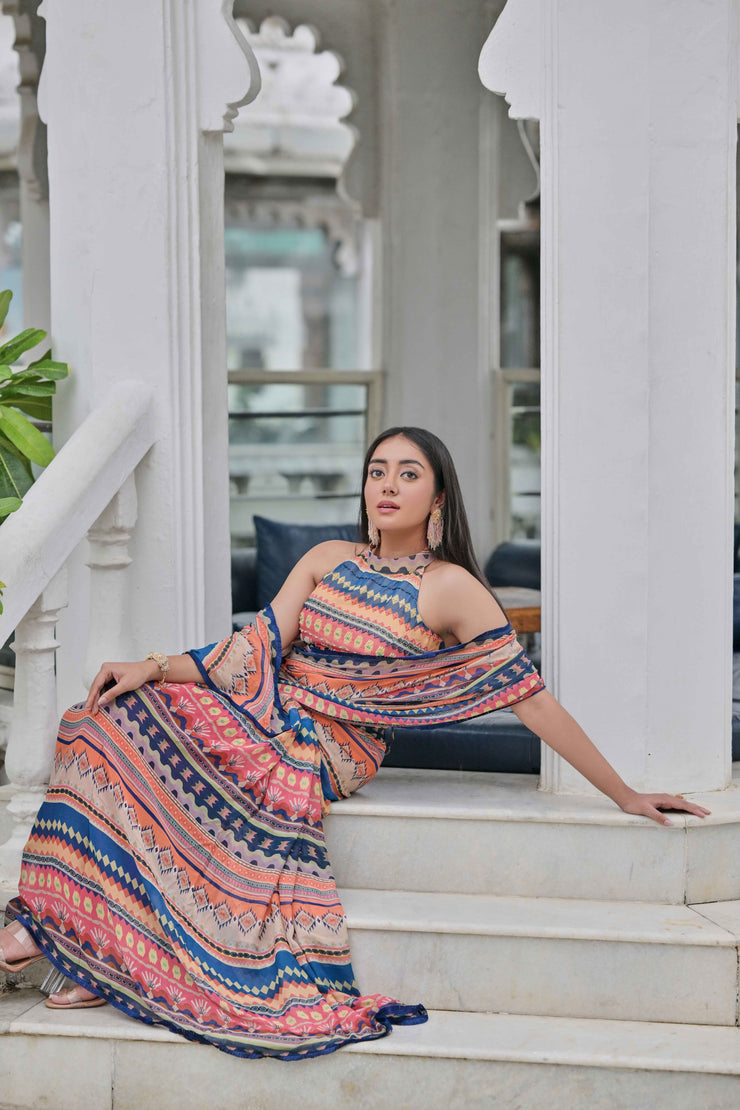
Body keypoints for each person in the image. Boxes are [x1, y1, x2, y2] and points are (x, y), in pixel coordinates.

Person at [0, 426, 709, 1059]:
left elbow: (530, 698)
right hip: (265, 707)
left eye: (408, 473)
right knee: (101, 720)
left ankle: (81, 948)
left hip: (329, 748)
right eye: (377, 470)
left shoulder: (451, 587)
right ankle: (77, 937)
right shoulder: (327, 557)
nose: (388, 485)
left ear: (436, 498)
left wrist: (624, 792)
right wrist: (151, 665)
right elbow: (251, 653)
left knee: (185, 759)